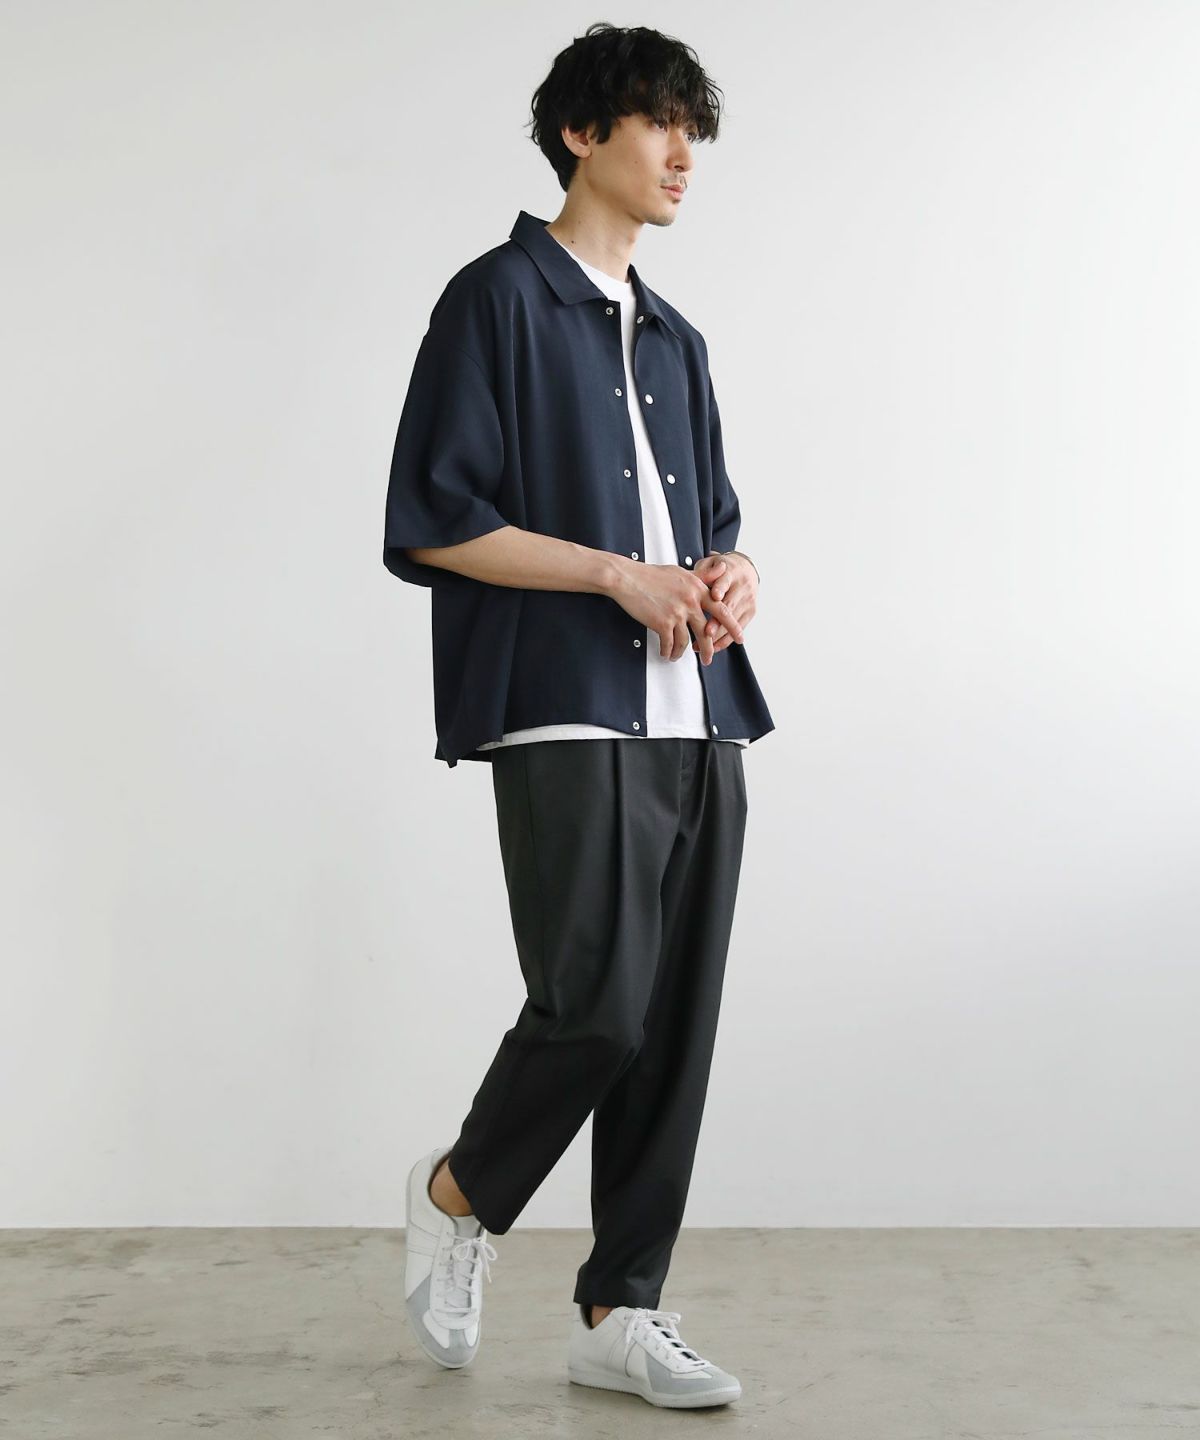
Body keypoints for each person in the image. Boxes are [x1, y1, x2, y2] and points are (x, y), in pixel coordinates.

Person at [383, 22, 775, 1410]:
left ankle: (622, 1309)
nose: (682, 153)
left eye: (692, 130)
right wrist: (615, 574)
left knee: (671, 1028)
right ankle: (458, 1192)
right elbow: (437, 520)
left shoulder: (679, 339)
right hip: (566, 705)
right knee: (595, 1008)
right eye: (658, 123)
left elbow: (709, 522)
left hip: (699, 715)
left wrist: (729, 572)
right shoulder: (493, 300)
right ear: (581, 133)